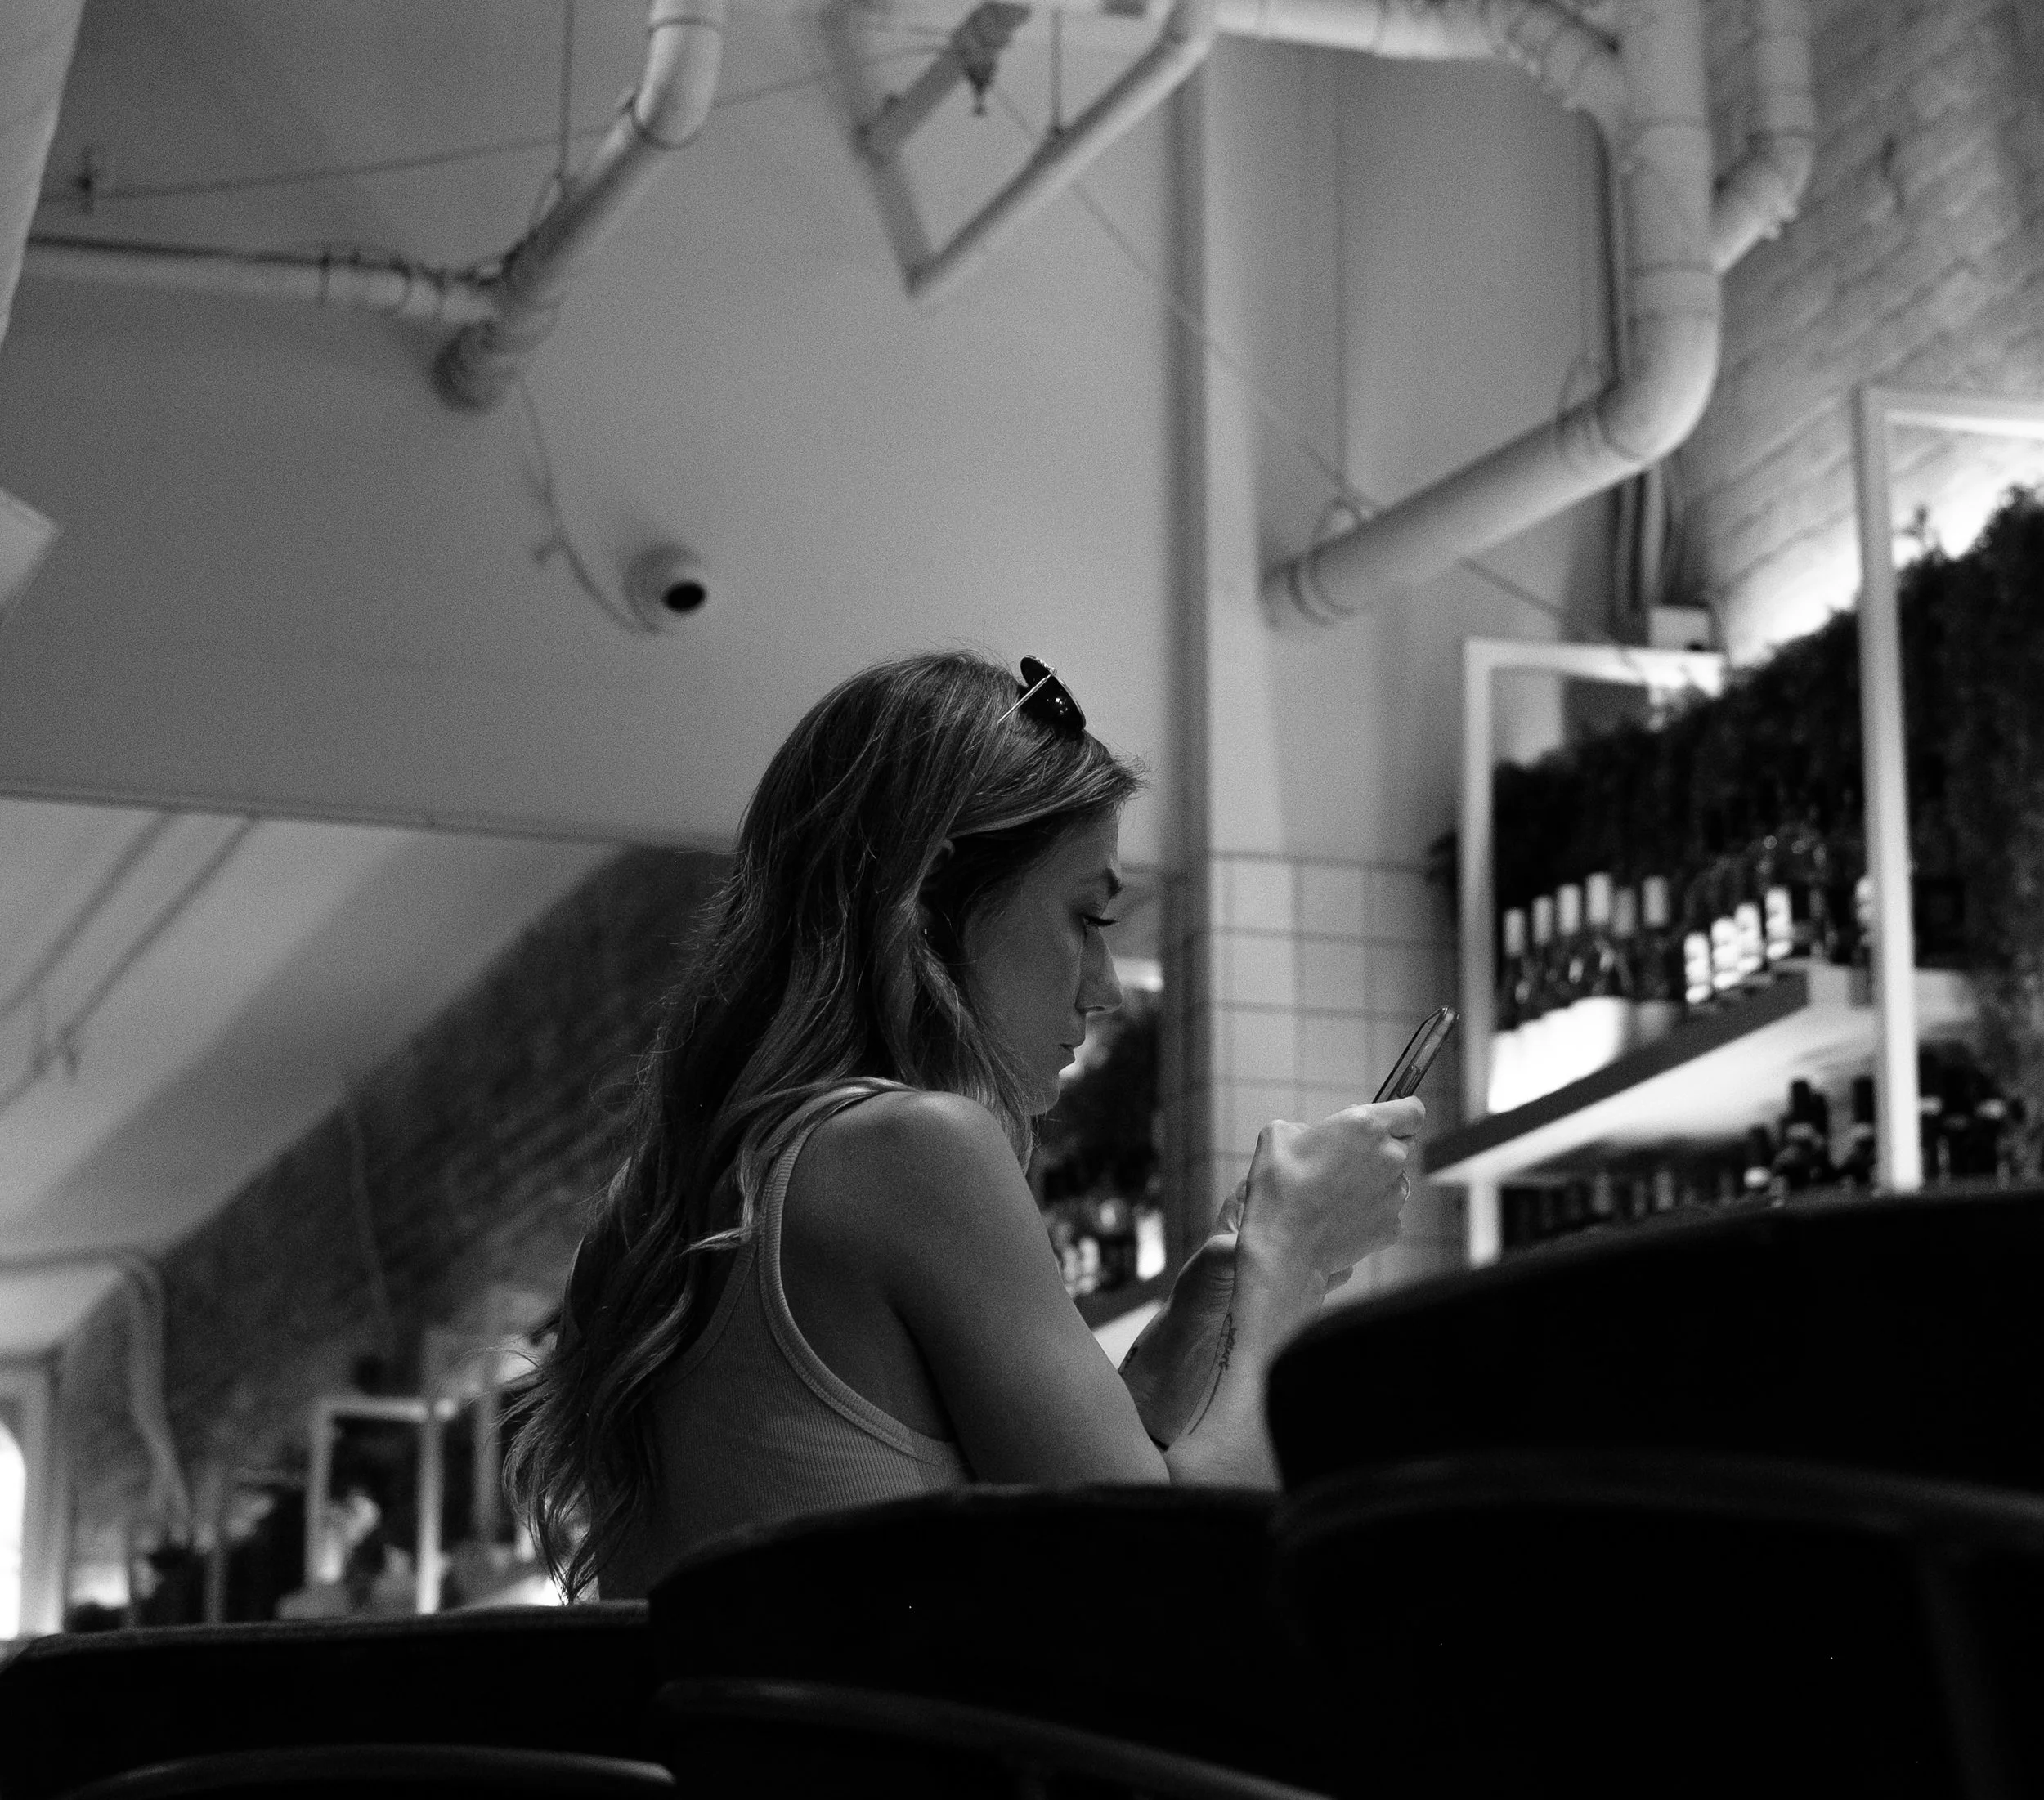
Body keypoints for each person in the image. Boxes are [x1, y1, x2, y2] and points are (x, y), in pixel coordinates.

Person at [506, 651, 1421, 1599]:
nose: (1104, 988)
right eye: (1088, 917)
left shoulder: (655, 1206)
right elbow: (1164, 1579)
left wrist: (1215, 1302)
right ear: (937, 901)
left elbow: (1040, 1504)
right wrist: (1292, 1267)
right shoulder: (913, 1150)